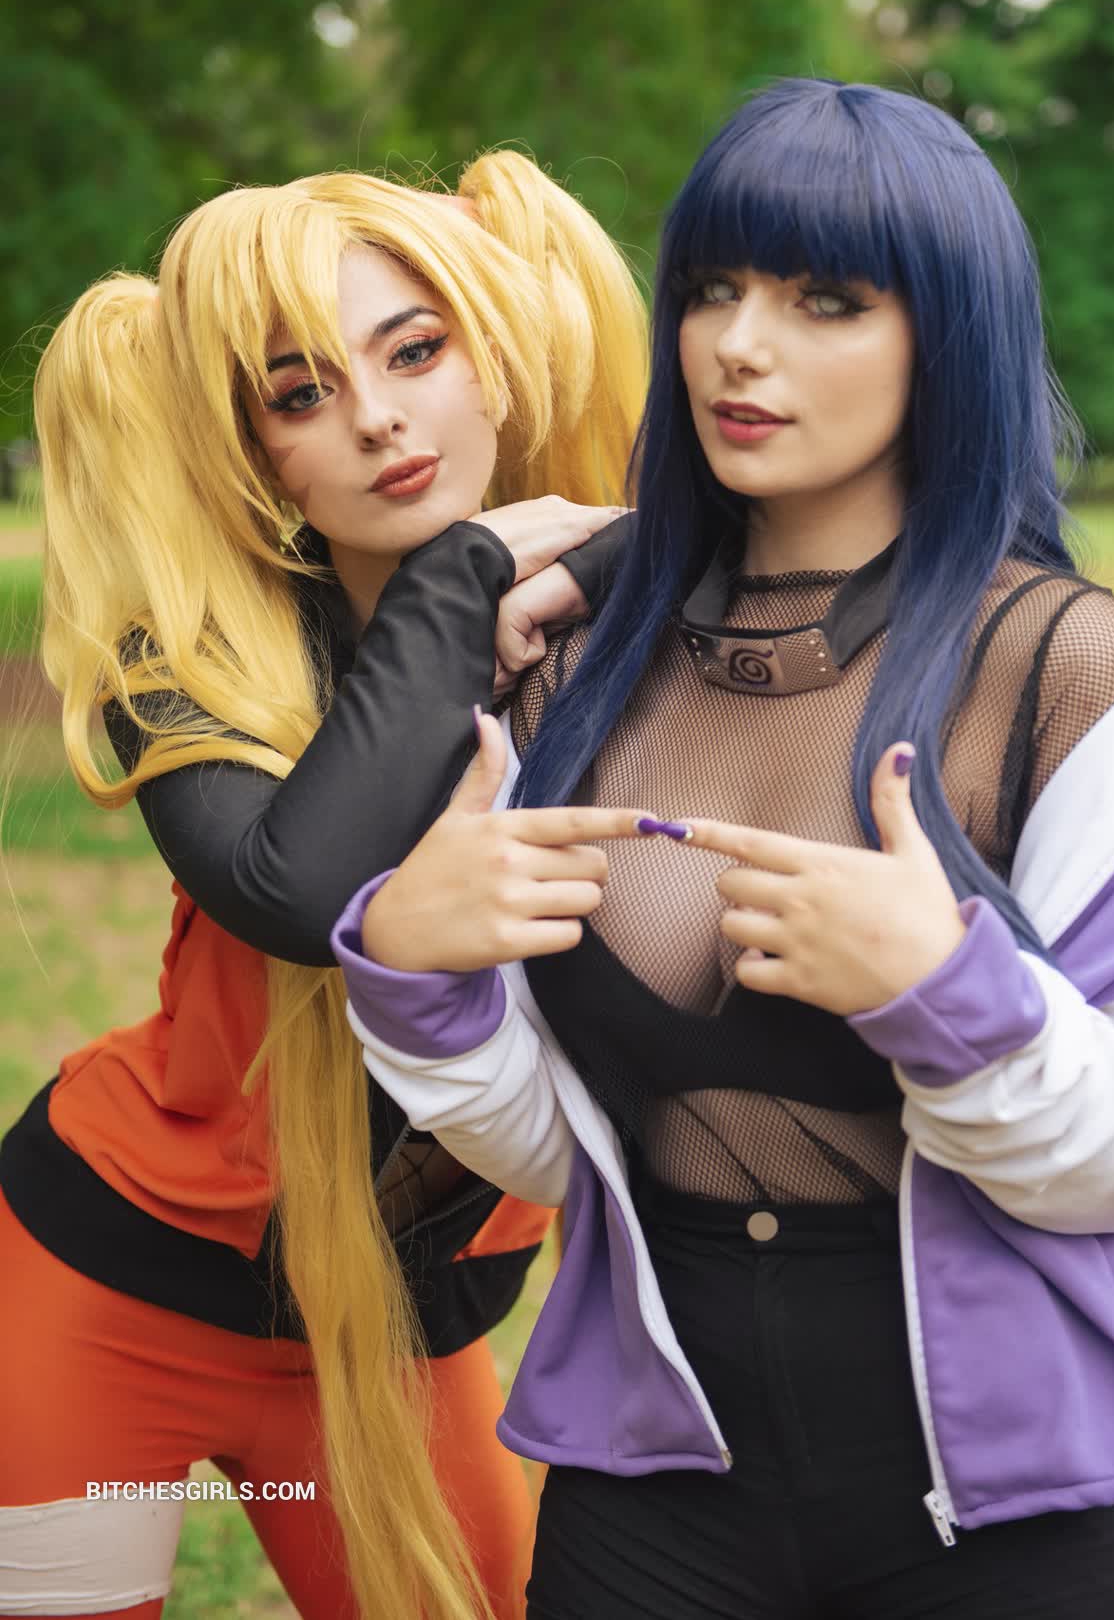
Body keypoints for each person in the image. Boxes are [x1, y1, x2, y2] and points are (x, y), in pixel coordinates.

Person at [332, 80, 1114, 1619]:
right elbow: (565, 1153)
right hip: (665, 1478)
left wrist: (948, 996)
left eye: (826, 300)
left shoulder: (1071, 675)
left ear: (945, 338)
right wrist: (420, 981)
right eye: (712, 289)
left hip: (1040, 1492)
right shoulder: (570, 677)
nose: (738, 346)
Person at [0, 153, 645, 1620]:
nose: (377, 417)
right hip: (114, 1288)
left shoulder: (626, 607)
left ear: (500, 353)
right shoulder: (192, 662)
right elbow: (300, 894)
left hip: (401, 1327)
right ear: (252, 454)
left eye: (416, 351)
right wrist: (454, 583)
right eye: (300, 395)